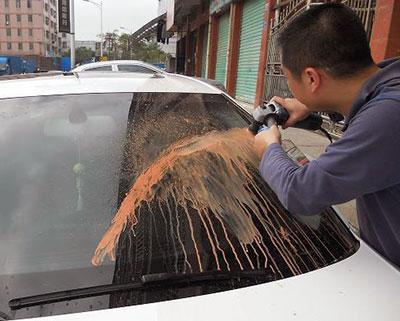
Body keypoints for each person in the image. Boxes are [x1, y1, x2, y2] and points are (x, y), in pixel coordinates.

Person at [253, 3, 400, 267]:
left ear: (311, 78)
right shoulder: (389, 84)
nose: (289, 89)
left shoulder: (389, 116)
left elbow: (301, 192)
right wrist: (312, 105)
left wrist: (270, 149)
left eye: (288, 78)